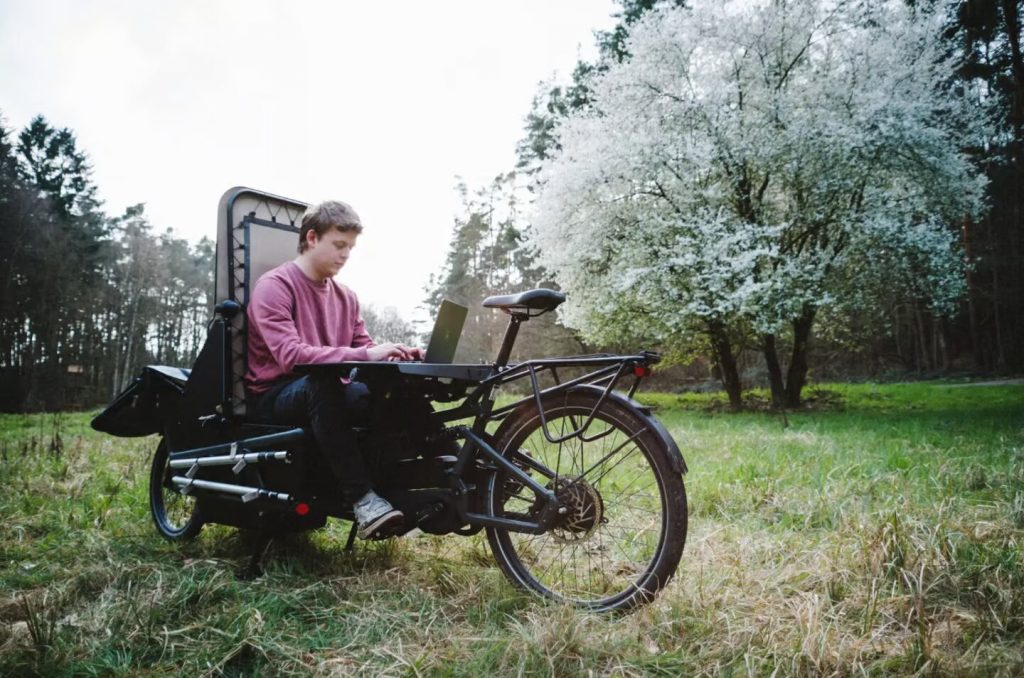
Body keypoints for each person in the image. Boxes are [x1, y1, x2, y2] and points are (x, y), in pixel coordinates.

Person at [244, 199, 423, 539]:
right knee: (320, 383)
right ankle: (363, 500)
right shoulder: (274, 286)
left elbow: (364, 351)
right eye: (339, 245)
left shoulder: (347, 297)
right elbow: (291, 356)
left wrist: (399, 357)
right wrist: (366, 354)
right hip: (275, 395)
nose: (345, 255)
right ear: (312, 238)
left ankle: (454, 469)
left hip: (326, 391)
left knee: (395, 386)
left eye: (350, 248)